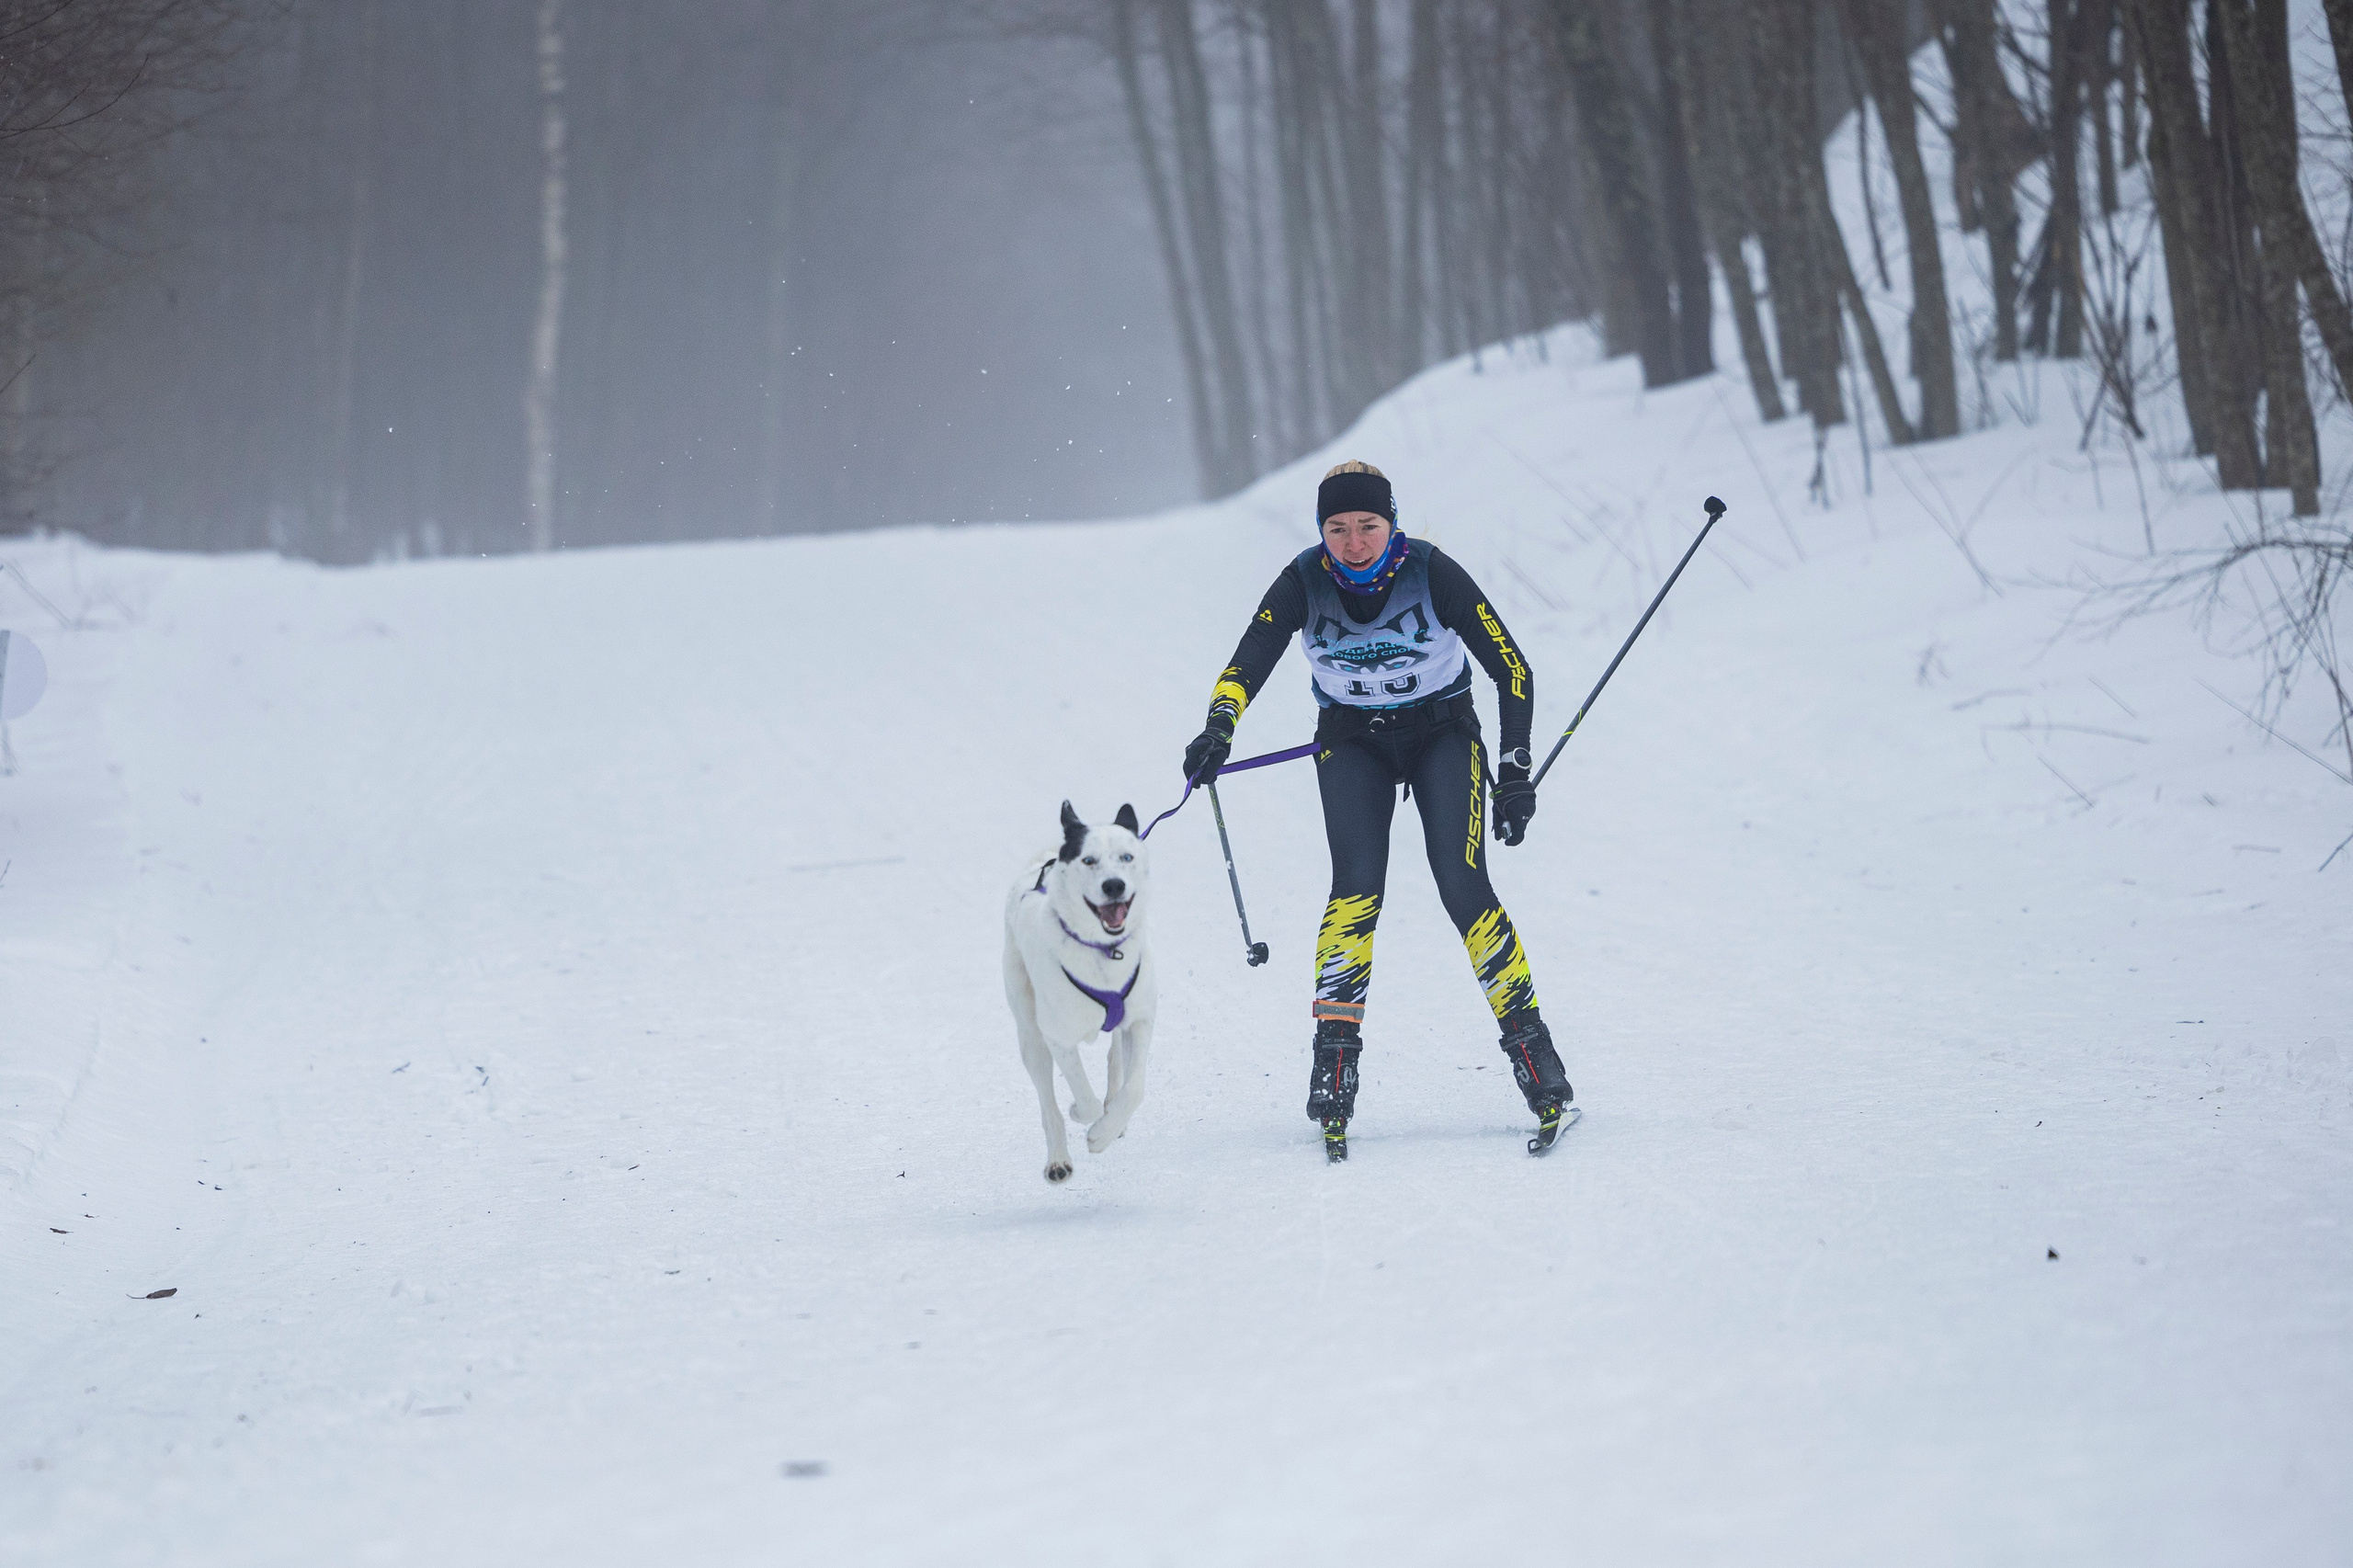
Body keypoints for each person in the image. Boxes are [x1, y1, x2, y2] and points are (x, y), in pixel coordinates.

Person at [1182, 460, 1572, 1149]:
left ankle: (1535, 1056)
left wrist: (1514, 772)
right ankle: (1333, 1061)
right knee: (1356, 889)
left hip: (1443, 736)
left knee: (1463, 885)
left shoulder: (1432, 571)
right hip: (1353, 743)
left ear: (1391, 524)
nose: (1353, 542)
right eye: (1337, 528)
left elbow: (1512, 668)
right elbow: (1248, 663)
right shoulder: (1303, 579)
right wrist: (1218, 728)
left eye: (1368, 526)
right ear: (1321, 532)